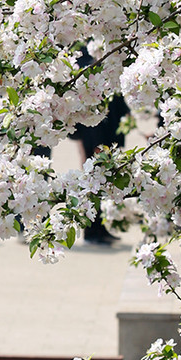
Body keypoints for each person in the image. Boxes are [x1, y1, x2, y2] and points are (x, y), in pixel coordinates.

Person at [71, 48, 129, 245]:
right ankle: (91, 230)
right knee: (92, 178)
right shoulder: (84, 56)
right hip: (93, 129)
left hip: (105, 126)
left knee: (101, 179)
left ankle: (99, 227)